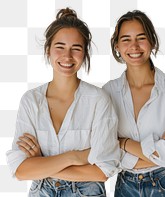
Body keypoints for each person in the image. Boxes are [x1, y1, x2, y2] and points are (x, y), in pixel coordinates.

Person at [6, 7, 121, 197]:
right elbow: (20, 170)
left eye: (76, 48)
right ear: (48, 49)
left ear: (84, 54)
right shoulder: (31, 100)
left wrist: (42, 163)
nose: (67, 56)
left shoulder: (99, 100)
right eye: (60, 47)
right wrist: (75, 157)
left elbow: (101, 171)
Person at [103, 10, 165, 197]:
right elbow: (104, 153)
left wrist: (123, 142)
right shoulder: (107, 93)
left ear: (152, 41)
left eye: (141, 37)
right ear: (117, 45)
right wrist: (158, 148)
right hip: (124, 186)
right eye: (126, 39)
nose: (134, 46)